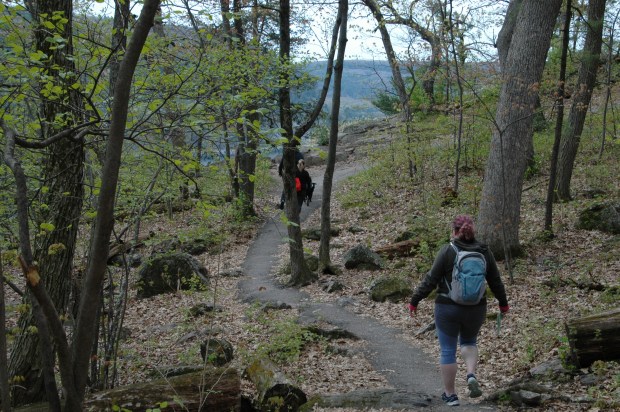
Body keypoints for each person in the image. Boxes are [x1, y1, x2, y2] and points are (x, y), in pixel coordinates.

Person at [408, 215, 509, 407]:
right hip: (476, 309)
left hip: (447, 307)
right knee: (469, 342)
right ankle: (470, 373)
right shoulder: (484, 251)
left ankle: (451, 395)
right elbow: (495, 281)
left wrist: (415, 300)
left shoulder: (447, 250)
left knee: (447, 350)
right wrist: (503, 304)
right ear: (473, 231)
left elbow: (431, 278)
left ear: (454, 231)